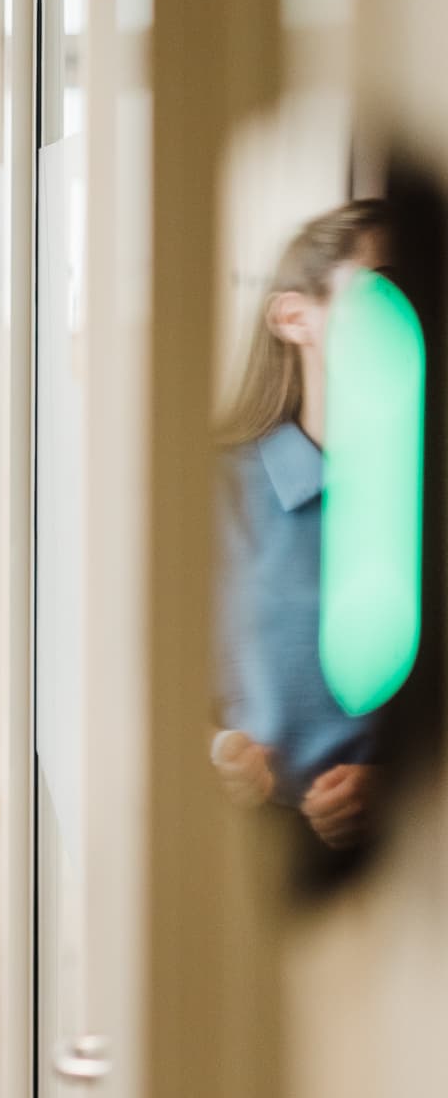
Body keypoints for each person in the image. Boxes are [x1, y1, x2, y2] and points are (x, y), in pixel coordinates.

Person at [210, 199, 390, 850]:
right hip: (246, 853)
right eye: (384, 293)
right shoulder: (217, 493)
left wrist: (395, 784)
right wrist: (220, 754)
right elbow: (147, 686)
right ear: (294, 317)